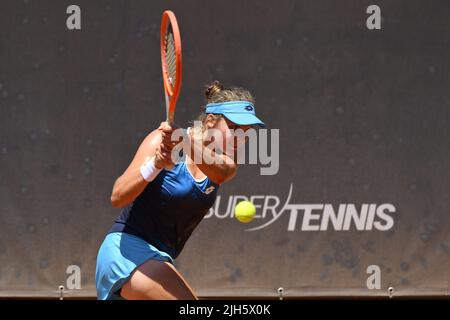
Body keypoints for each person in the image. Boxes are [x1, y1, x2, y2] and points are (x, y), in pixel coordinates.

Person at [95, 80, 265, 300]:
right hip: (126, 252)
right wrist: (155, 164)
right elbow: (118, 196)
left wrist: (183, 140)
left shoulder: (225, 163)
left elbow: (222, 172)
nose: (240, 138)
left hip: (159, 259)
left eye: (246, 131)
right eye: (233, 128)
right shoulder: (159, 140)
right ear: (211, 121)